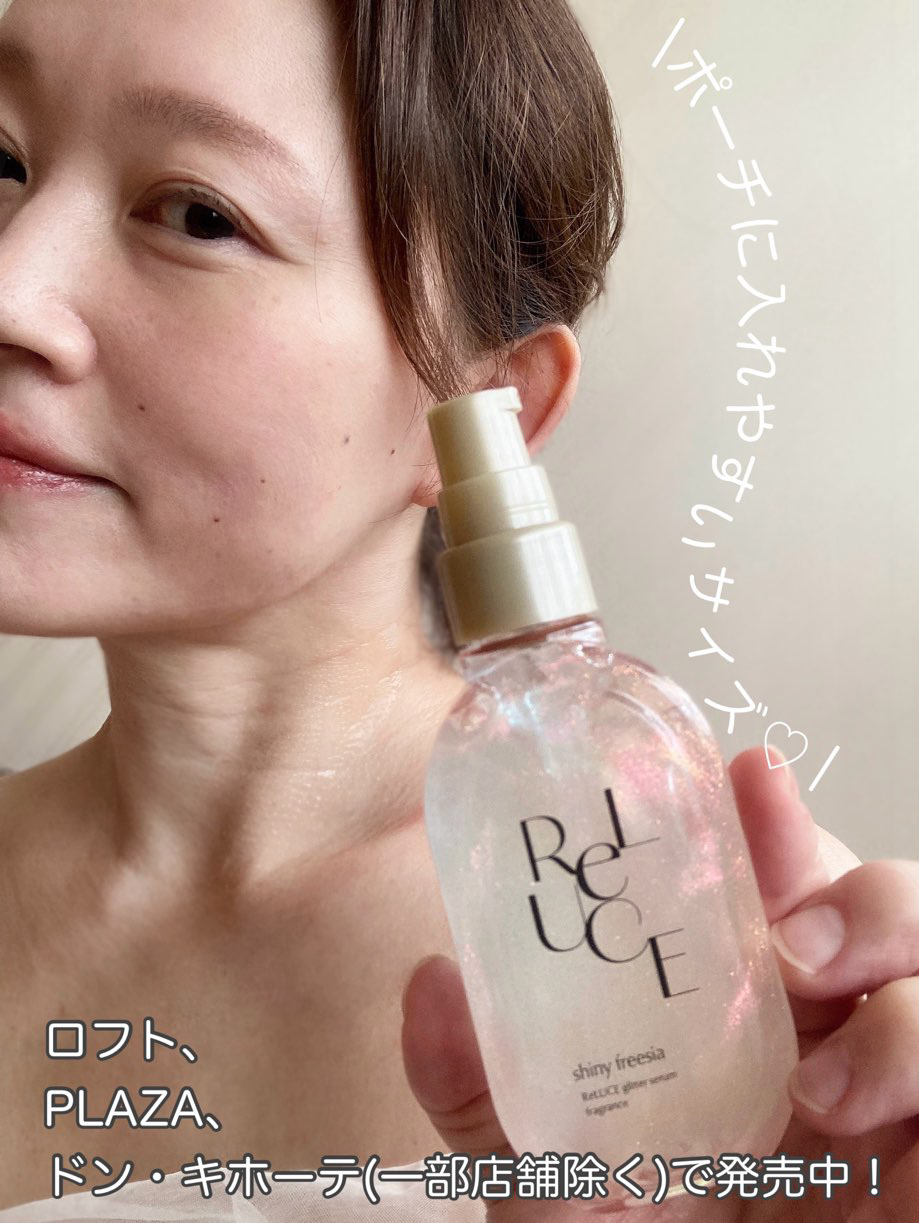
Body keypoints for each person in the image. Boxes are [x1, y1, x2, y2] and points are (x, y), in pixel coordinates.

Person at [0, 0, 915, 1219]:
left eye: (200, 214)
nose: (11, 288)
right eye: (3, 159)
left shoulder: (693, 956)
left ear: (492, 407)